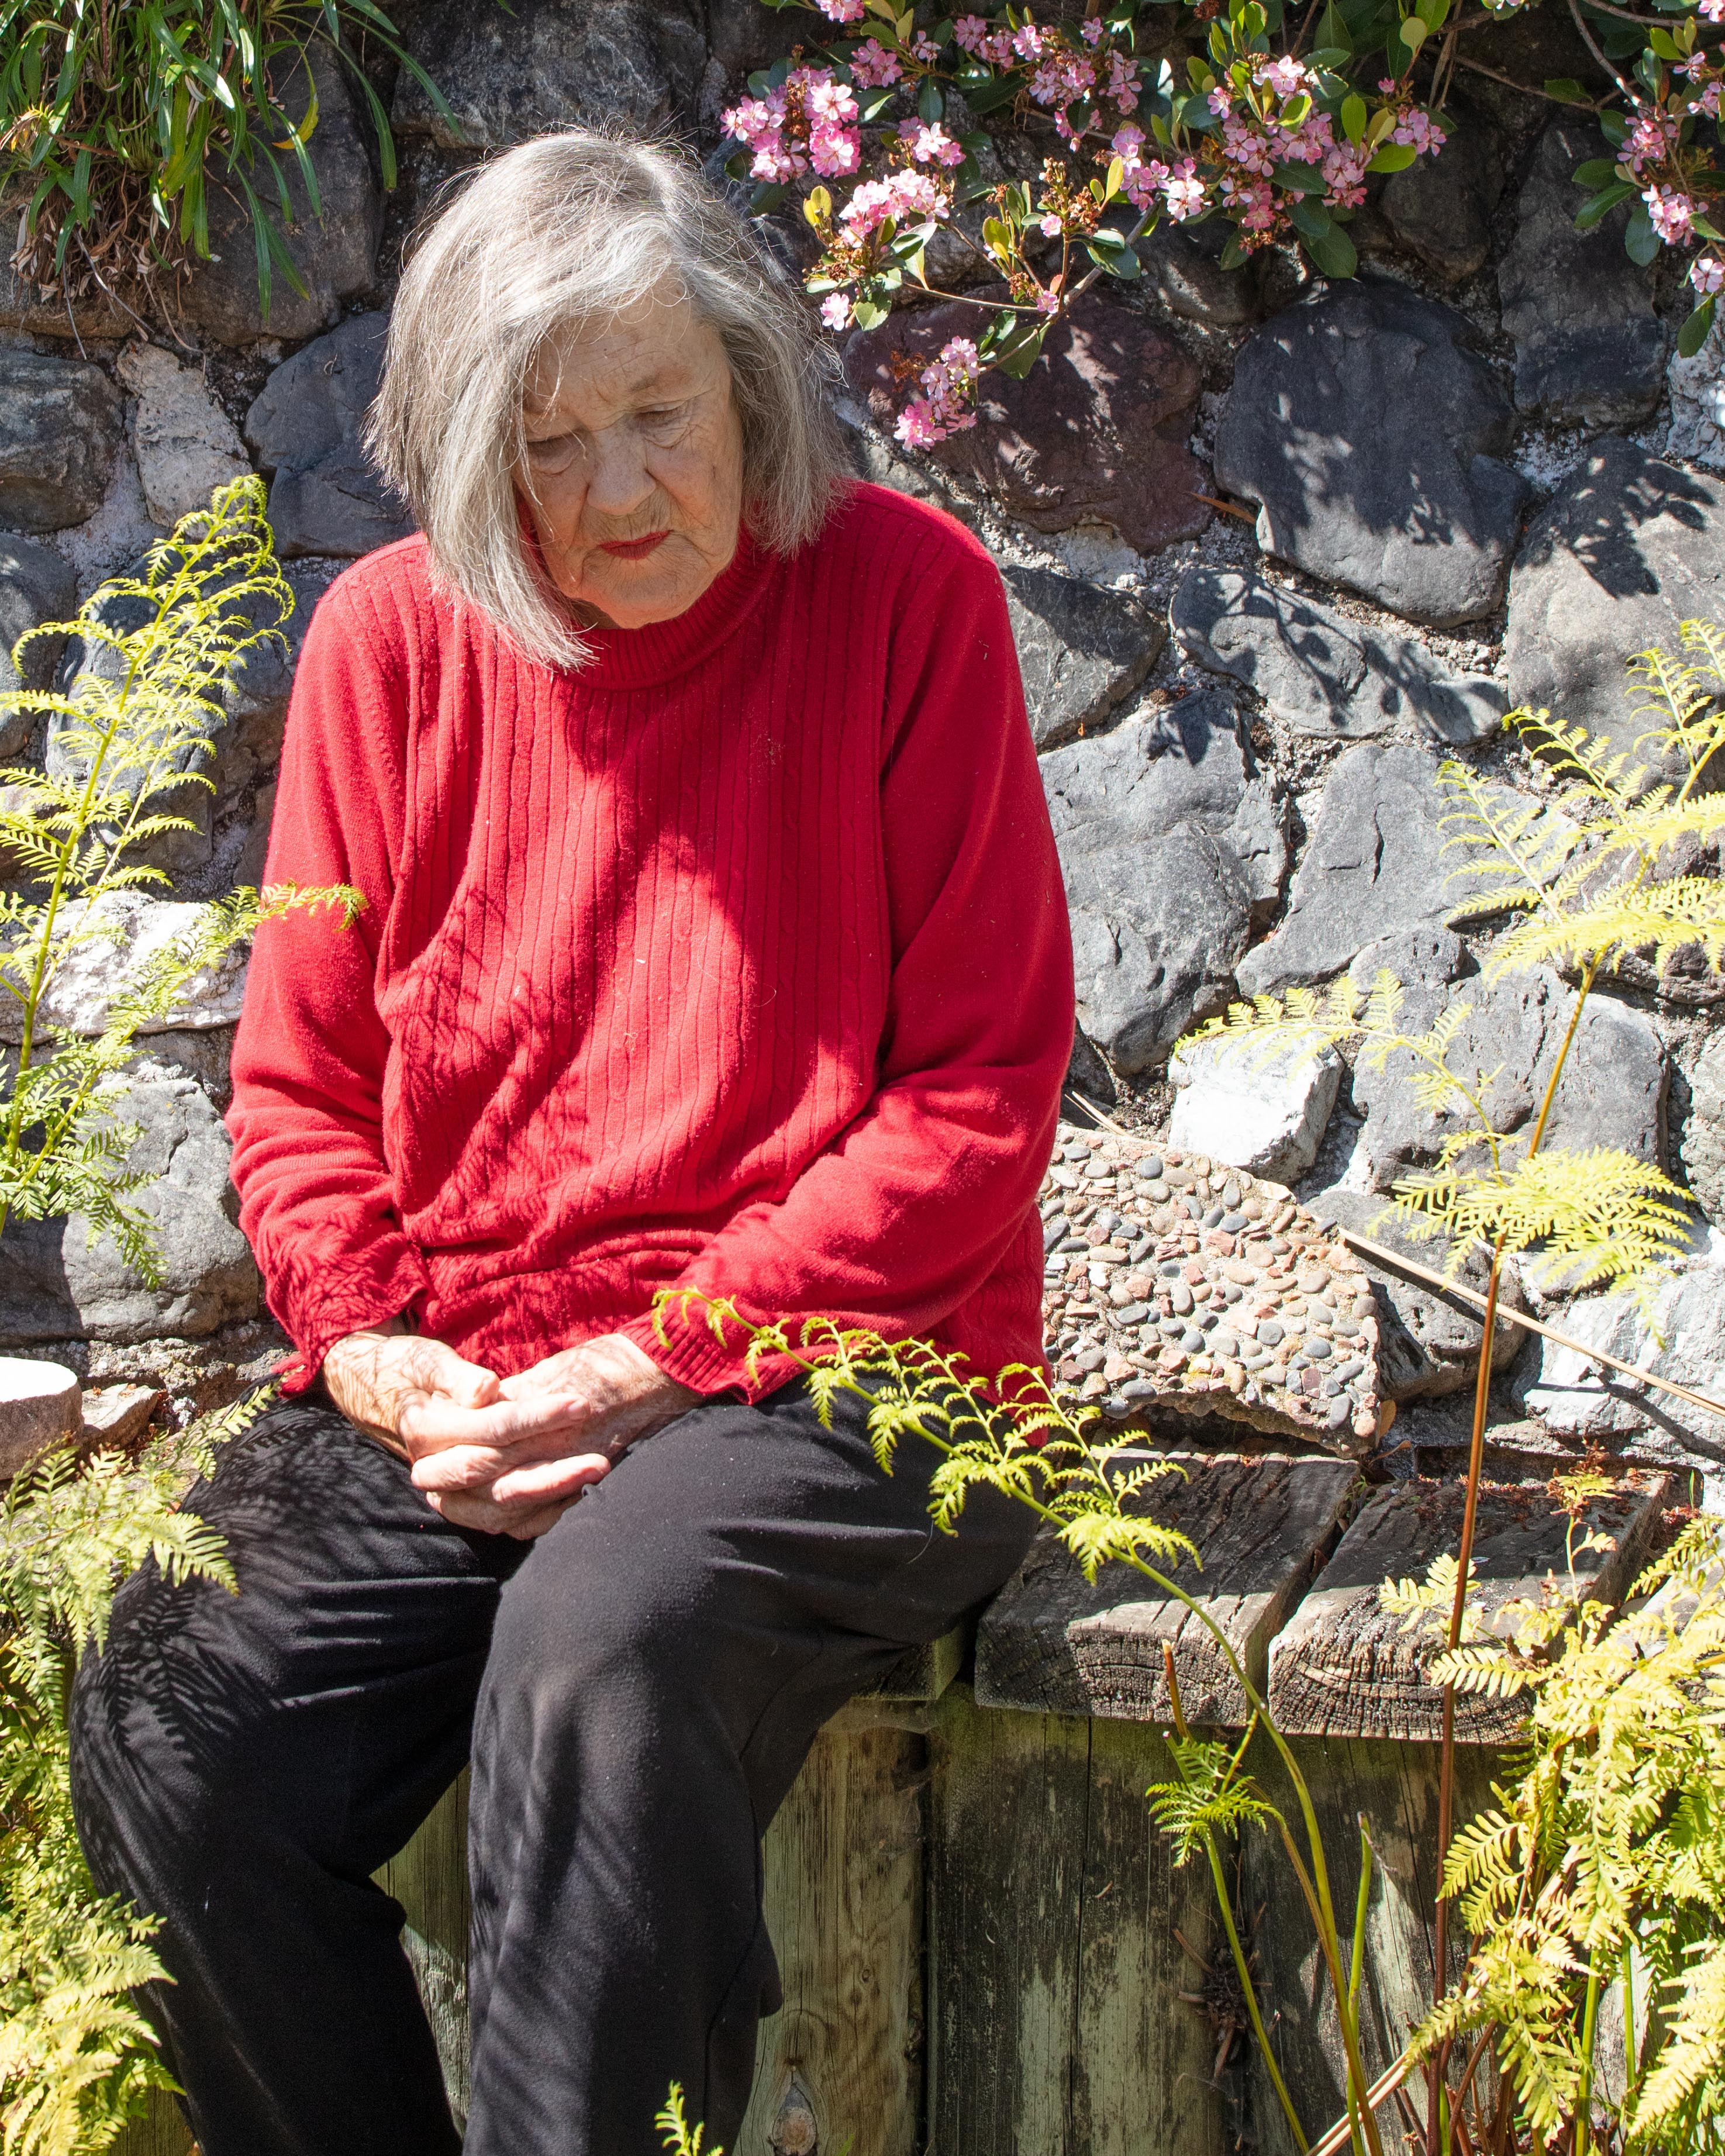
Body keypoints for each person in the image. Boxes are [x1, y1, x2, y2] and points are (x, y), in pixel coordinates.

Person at [70, 130, 1074, 2156]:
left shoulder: (908, 601)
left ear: (748, 383)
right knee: (168, 1710)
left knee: (600, 1648)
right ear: (465, 457)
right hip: (475, 1366)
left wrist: (657, 1362)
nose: (621, 491)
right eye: (547, 444)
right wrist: (374, 1349)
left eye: (659, 415)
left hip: (847, 1374)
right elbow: (298, 1094)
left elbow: (974, 1103)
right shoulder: (387, 644)